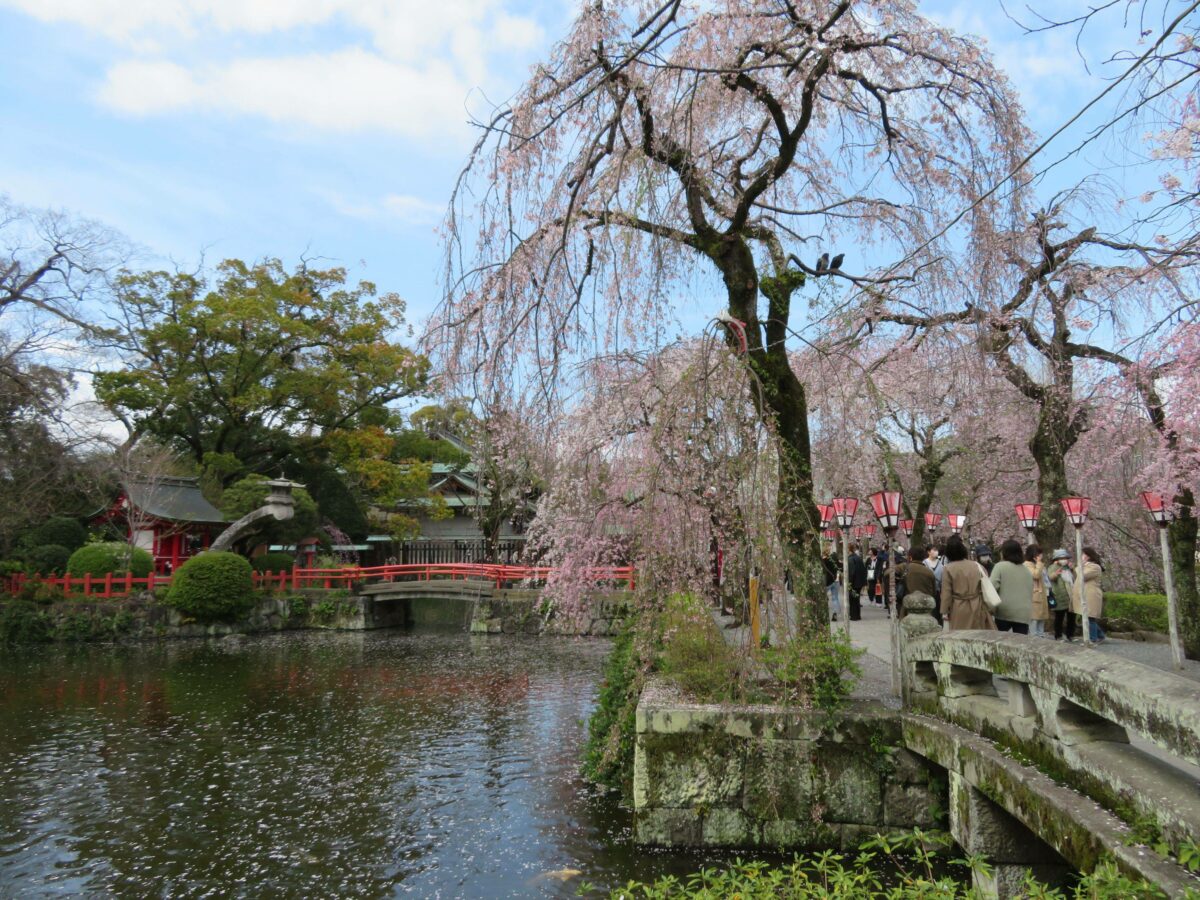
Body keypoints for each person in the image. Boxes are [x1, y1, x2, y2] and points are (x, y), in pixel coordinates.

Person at [940, 534, 996, 631]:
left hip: (958, 607)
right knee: (978, 633)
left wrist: (944, 610)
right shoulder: (977, 566)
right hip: (977, 605)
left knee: (960, 634)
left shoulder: (948, 569)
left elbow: (946, 593)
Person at [990, 539, 1034, 633]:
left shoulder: (1000, 566)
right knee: (1020, 641)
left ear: (1004, 552)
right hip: (1024, 613)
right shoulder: (1026, 570)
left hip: (1004, 611)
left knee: (1000, 640)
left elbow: (991, 588)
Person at [1072, 547, 1106, 643]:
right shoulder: (1086, 566)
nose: (1081, 556)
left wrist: (1079, 566)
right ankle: (1100, 635)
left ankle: (1093, 638)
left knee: (1090, 617)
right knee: (1088, 617)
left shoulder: (1095, 567)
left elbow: (1083, 576)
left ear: (1088, 556)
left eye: (1083, 554)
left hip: (1091, 596)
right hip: (1086, 595)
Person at [904, 545, 939, 622]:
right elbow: (934, 591)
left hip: (910, 607)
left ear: (910, 557)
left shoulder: (906, 569)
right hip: (926, 607)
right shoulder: (929, 572)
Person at [1047, 549, 1075, 641]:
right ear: (1057, 559)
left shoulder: (1068, 567)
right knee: (1059, 617)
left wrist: (1072, 569)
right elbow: (1050, 577)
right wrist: (1056, 573)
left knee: (1072, 617)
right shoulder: (1052, 567)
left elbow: (1074, 578)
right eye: (1062, 558)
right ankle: (1058, 635)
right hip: (1059, 595)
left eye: (1065, 558)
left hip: (1070, 595)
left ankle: (1070, 635)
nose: (1064, 560)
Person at [1024, 544, 1050, 637]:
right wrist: (1039, 564)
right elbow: (1035, 575)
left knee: (1041, 621)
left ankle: (1041, 638)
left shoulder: (1038, 565)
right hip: (1033, 597)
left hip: (1041, 597)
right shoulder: (1027, 565)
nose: (1041, 556)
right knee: (1034, 621)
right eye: (1039, 554)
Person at [847, 543, 867, 621]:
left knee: (852, 600)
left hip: (854, 582)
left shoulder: (850, 559)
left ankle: (854, 615)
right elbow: (863, 570)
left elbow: (851, 573)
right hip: (859, 582)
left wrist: (849, 583)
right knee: (856, 599)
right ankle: (857, 615)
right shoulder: (858, 558)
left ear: (848, 550)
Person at [822, 544, 841, 622]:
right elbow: (840, 567)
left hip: (827, 581)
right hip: (835, 580)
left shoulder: (823, 560)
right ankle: (835, 613)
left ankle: (823, 613)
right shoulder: (835, 559)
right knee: (835, 598)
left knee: (823, 597)